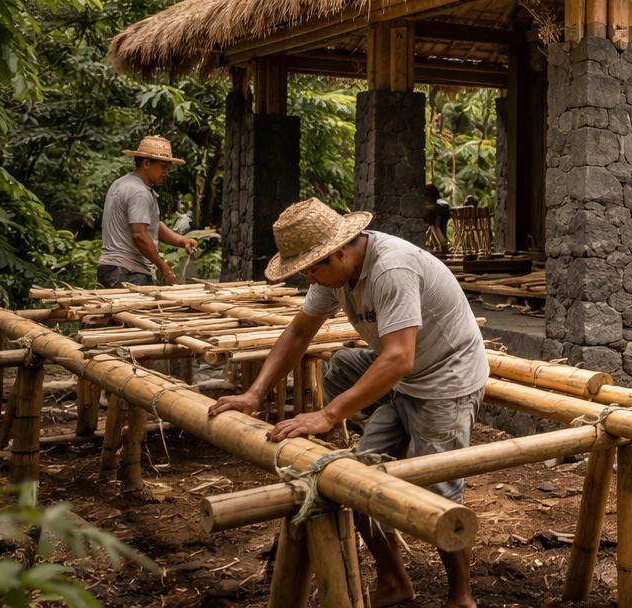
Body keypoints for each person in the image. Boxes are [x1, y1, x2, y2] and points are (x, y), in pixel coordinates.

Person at [209, 198, 490, 608]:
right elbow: (299, 332)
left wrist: (328, 414)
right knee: (356, 481)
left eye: (312, 268)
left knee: (441, 493)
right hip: (406, 379)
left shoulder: (391, 268)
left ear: (339, 251)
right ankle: (394, 583)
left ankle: (461, 596)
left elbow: (399, 357)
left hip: (447, 378)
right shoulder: (331, 275)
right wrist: (255, 394)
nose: (309, 277)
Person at [97, 135, 196, 288]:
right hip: (128, 271)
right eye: (163, 167)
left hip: (113, 269)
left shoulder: (122, 183)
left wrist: (181, 241)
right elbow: (139, 235)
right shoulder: (139, 192)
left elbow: (153, 225)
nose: (166, 173)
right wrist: (164, 267)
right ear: (146, 163)